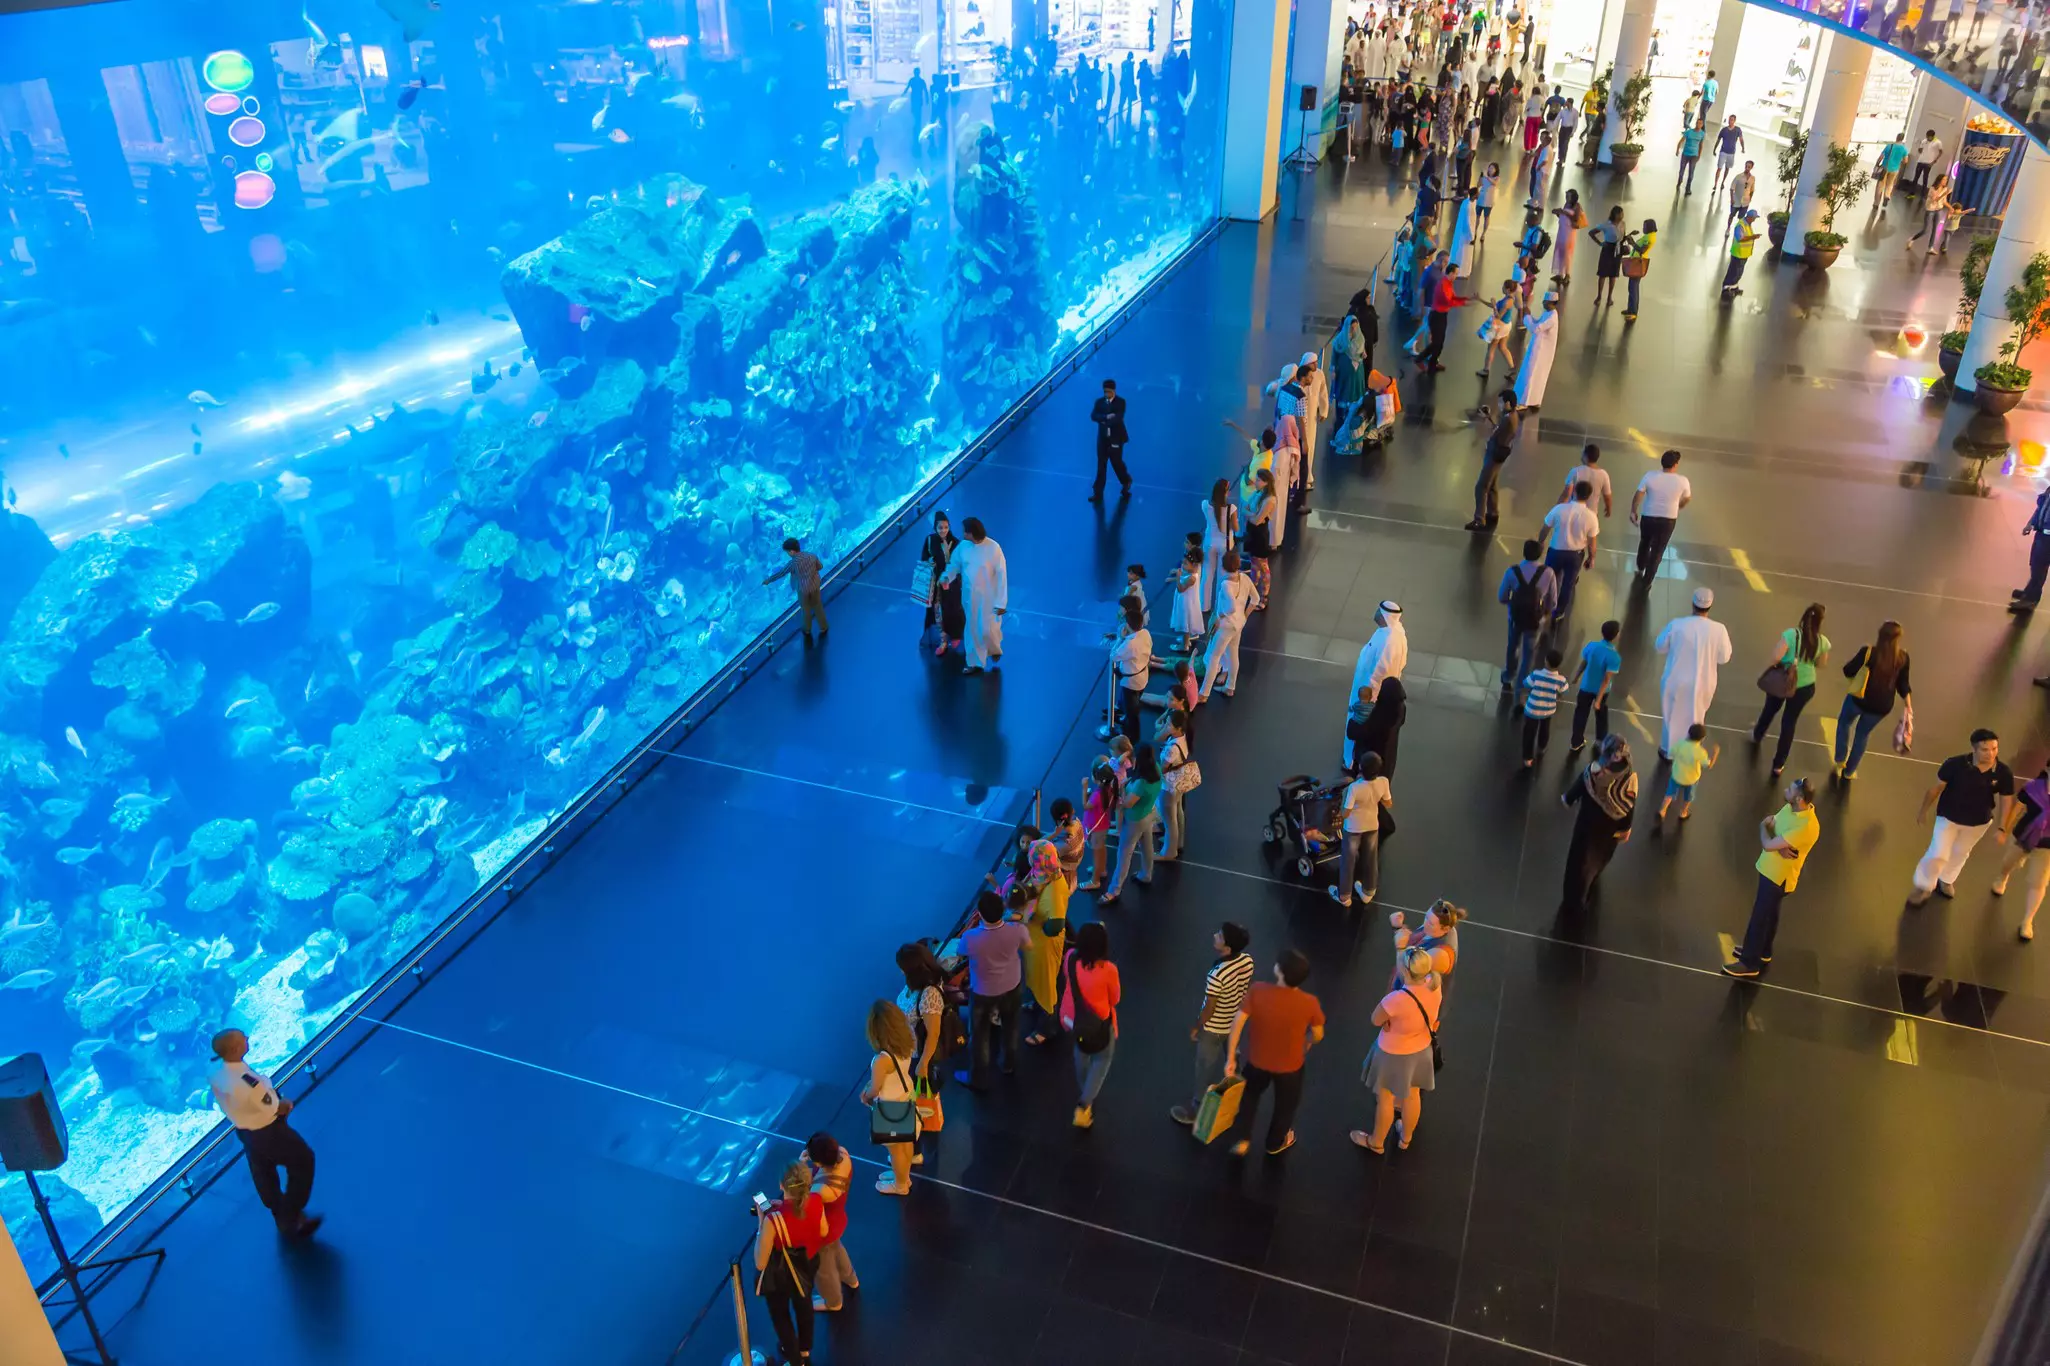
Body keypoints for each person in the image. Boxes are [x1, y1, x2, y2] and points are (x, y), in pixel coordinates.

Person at [207, 1029, 320, 1239]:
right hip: (268, 1131)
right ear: (235, 1049)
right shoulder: (249, 1082)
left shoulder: (216, 1074)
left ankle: (277, 1210)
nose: (247, 1040)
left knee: (263, 1170)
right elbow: (269, 1106)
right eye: (244, 1039)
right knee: (303, 1159)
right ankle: (291, 1213)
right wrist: (283, 1105)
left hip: (244, 1131)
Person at [1222, 949, 1326, 1158]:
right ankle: (1275, 1143)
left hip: (1257, 1062)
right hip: (1291, 1067)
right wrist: (1307, 1042)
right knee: (1285, 1106)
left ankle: (1242, 1140)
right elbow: (1318, 1034)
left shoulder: (1258, 990)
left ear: (1278, 971)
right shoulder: (1309, 1002)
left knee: (1249, 1098)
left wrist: (1231, 1057)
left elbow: (1237, 1023)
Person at [1721, 777, 1821, 978]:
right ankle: (1764, 951)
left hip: (1778, 877)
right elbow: (1772, 823)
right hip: (1771, 869)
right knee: (1771, 913)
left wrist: (1765, 832)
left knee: (1759, 917)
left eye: (1790, 790)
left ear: (1800, 798)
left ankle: (1749, 962)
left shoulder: (1806, 826)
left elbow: (1767, 837)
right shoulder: (1792, 808)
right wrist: (1777, 842)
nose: (1786, 791)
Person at [1349, 946, 1441, 1154]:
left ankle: (1376, 1142)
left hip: (1392, 1054)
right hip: (1421, 1051)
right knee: (1412, 1095)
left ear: (1406, 972)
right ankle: (1405, 1139)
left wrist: (1387, 1023)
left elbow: (1375, 1019)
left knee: (1386, 1098)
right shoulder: (1435, 986)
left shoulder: (1396, 999)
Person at [1909, 729, 2015, 905]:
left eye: (1994, 749)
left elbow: (2006, 801)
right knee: (1938, 852)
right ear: (1974, 749)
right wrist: (1923, 811)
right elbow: (1936, 789)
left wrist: (2003, 827)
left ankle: (1947, 879)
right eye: (1985, 749)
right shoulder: (1954, 764)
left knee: (1960, 852)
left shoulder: (2003, 773)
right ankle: (1924, 885)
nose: (1991, 754)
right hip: (1948, 817)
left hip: (1978, 822)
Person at [1172, 922, 1256, 1125]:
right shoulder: (1247, 961)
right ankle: (1233, 1096)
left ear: (1227, 948)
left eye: (1219, 936)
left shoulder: (1216, 975)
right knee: (1232, 1059)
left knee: (1204, 1066)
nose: (1215, 935)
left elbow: (1209, 1008)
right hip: (1234, 1022)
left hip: (1214, 1028)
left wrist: (1197, 1026)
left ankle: (1196, 1108)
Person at [953, 890, 1029, 1090]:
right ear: (1003, 908)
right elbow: (1028, 945)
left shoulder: (971, 937)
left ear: (981, 914)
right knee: (1011, 1026)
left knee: (979, 1035)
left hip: (983, 992)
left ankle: (978, 1078)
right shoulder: (1017, 930)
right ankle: (1008, 1064)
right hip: (1012, 986)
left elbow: (960, 953)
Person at [1752, 603, 1831, 776]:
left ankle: (1758, 734)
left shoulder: (1791, 635)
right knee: (1789, 722)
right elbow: (1821, 664)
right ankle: (1778, 765)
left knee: (1770, 709)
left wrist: (1767, 669)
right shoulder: (1823, 642)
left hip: (1782, 682)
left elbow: (1775, 657)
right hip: (1805, 686)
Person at [1560, 734, 1636, 912]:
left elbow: (1571, 795)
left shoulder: (1592, 773)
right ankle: (1593, 880)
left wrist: (1568, 799)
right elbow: (1630, 808)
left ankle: (1574, 900)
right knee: (1599, 859)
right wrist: (1625, 828)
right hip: (1608, 833)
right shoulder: (1629, 779)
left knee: (1578, 863)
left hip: (1586, 827)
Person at [753, 1161, 820, 1364]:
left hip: (783, 1275)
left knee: (781, 1315)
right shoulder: (816, 1200)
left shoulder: (773, 1220)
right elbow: (823, 1230)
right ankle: (805, 1349)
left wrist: (761, 1223)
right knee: (804, 1303)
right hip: (809, 1262)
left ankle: (794, 1358)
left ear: (782, 1186)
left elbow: (760, 1262)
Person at [1654, 588, 1732, 760]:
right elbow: (1724, 658)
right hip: (1704, 682)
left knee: (1671, 715)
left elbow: (1660, 646)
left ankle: (1668, 750)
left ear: (1692, 604)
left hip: (1675, 680)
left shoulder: (1677, 624)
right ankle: (1690, 752)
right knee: (1696, 716)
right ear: (1710, 607)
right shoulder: (1719, 630)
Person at [1834, 621, 1912, 780]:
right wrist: (1908, 705)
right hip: (1881, 706)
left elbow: (1848, 671)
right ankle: (1849, 771)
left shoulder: (1868, 653)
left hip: (1859, 699)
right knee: (1862, 735)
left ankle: (1840, 758)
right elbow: (1903, 684)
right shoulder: (1903, 657)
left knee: (1844, 723)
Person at [863, 1001, 920, 1195]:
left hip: (890, 1109)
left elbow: (875, 1089)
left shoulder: (882, 1060)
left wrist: (866, 1095)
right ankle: (903, 1176)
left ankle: (900, 1185)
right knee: (906, 1144)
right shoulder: (907, 1041)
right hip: (905, 1099)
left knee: (895, 1152)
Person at [938, 517, 1007, 675]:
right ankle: (975, 663)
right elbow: (954, 565)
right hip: (970, 597)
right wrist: (946, 576)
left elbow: (1002, 575)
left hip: (990, 597)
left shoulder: (993, 548)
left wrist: (1002, 603)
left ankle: (994, 648)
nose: (962, 534)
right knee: (972, 628)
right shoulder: (963, 547)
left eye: (965, 531)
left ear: (972, 533)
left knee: (987, 630)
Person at [1345, 602, 1408, 767]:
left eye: (1378, 611)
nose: (1375, 613)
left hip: (1369, 694)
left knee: (1360, 725)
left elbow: (1380, 670)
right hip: (1371, 691)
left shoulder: (1389, 640)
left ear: (1384, 615)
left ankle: (1351, 762)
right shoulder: (1392, 633)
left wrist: (1368, 696)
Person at [1329, 752, 1394, 905]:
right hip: (1372, 825)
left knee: (1348, 860)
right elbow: (1388, 803)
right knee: (1371, 857)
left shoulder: (1354, 788)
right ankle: (1368, 891)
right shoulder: (1383, 782)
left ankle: (1344, 896)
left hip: (1353, 828)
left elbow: (1345, 813)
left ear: (1360, 768)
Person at [1994, 765, 2050, 940]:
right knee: (2008, 863)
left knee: (2039, 882)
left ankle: (2027, 920)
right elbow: (2018, 808)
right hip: (2023, 836)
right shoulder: (2032, 788)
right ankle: (2003, 877)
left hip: (2047, 845)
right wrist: (2004, 829)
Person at [801, 1132, 858, 1306]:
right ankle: (851, 1279)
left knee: (823, 1269)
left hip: (824, 1229)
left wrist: (801, 1164)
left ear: (818, 1162)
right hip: (838, 1219)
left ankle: (833, 1302)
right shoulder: (843, 1154)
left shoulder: (820, 1190)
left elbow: (804, 1196)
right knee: (838, 1250)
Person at [1101, 745, 1162, 903]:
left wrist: (1121, 789)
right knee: (1147, 846)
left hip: (1135, 820)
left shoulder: (1141, 784)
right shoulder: (1156, 768)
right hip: (1149, 812)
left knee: (1124, 854)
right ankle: (1146, 874)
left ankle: (1114, 890)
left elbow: (1127, 803)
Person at [1497, 539, 1558, 688]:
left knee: (1513, 646)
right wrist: (1545, 613)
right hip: (1535, 619)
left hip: (1515, 617)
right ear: (1540, 554)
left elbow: (1502, 597)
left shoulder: (1512, 571)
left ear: (1524, 553)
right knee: (1529, 651)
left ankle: (1508, 675)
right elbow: (1553, 601)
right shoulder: (1548, 573)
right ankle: (1523, 681)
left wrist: (1512, 604)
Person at [1203, 550, 1258, 701]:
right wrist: (1245, 615)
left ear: (1224, 565)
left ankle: (1204, 693)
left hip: (1226, 625)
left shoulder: (1226, 584)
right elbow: (1255, 599)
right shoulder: (1245, 578)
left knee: (1215, 657)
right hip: (1238, 624)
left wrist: (1219, 617)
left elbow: (1230, 608)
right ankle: (1230, 687)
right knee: (1233, 655)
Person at [1540, 481, 1599, 620]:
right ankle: (1559, 612)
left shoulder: (1559, 509)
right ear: (1589, 496)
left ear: (1574, 492)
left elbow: (1545, 528)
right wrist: (1591, 558)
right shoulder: (1591, 516)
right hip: (1575, 555)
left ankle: (1545, 607)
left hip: (1555, 551)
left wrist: (1540, 542)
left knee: (1549, 579)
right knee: (1568, 583)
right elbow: (1592, 543)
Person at [894, 940, 949, 1088]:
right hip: (907, 1050)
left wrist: (923, 1064)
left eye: (902, 968)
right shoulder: (913, 983)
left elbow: (933, 1033)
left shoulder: (929, 994)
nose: (900, 971)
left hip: (918, 1057)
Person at [1630, 448, 1691, 580]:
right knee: (1658, 550)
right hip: (1668, 520)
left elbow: (1638, 494)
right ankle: (1648, 580)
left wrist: (1633, 511)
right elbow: (1687, 498)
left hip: (1648, 517)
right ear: (1675, 465)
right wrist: (1678, 506)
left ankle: (1640, 566)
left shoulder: (1650, 476)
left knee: (1644, 542)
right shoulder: (1683, 481)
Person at [1466, 388, 1521, 530]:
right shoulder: (1512, 416)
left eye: (1501, 402)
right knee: (1492, 484)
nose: (1500, 405)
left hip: (1495, 455)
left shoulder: (1508, 420)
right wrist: (1489, 418)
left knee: (1481, 487)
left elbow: (1494, 433)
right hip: (1500, 454)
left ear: (1508, 403)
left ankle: (1479, 519)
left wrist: (1486, 424)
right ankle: (1493, 511)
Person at [1569, 620, 1622, 752]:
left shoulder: (1592, 646)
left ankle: (1576, 742)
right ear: (1616, 636)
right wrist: (1598, 700)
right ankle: (1600, 741)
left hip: (1585, 687)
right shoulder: (1614, 657)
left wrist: (1576, 677)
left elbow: (1584, 662)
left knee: (1580, 714)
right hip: (1601, 692)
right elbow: (1606, 680)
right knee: (1601, 716)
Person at [763, 537, 828, 642]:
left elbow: (781, 573)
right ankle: (824, 627)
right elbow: (820, 567)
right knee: (818, 607)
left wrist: (768, 580)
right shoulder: (812, 556)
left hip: (803, 591)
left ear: (792, 551)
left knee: (806, 610)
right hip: (815, 587)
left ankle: (807, 630)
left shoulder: (793, 564)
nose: (788, 554)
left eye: (787, 552)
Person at [1106, 602, 1152, 745]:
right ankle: (1126, 720)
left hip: (1131, 682)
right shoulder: (1145, 633)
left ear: (1128, 625)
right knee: (1133, 705)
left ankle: (1132, 737)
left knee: (1132, 712)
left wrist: (1120, 637)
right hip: (1143, 675)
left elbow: (1114, 656)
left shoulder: (1130, 644)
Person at [919, 511, 965, 657]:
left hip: (951, 583)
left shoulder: (955, 542)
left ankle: (956, 635)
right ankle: (943, 640)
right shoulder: (930, 540)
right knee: (937, 611)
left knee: (953, 609)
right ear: (935, 528)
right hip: (935, 583)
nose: (943, 530)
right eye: (940, 528)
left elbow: (959, 564)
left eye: (945, 527)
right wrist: (930, 563)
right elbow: (924, 559)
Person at [1419, 261, 1477, 372]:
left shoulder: (1448, 283)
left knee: (1439, 343)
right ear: (1450, 273)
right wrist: (1464, 303)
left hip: (1442, 315)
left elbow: (1453, 297)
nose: (1456, 276)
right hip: (1437, 316)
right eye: (1455, 273)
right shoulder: (1442, 285)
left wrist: (1467, 298)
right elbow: (1448, 301)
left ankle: (1432, 363)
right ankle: (1421, 359)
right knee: (1437, 343)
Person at [1350, 675, 1408, 778]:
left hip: (1372, 760)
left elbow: (1365, 732)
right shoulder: (1400, 707)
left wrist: (1352, 724)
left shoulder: (1381, 713)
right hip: (1388, 759)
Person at [1659, 723, 1720, 820]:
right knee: (1688, 797)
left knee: (1669, 794)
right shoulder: (1701, 752)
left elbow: (1670, 753)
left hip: (1677, 775)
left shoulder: (1680, 744)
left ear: (1688, 734)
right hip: (1692, 779)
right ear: (1702, 738)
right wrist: (1715, 754)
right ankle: (1683, 812)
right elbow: (1709, 765)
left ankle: (1662, 810)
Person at [1156, 707, 1193, 862]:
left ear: (1178, 728)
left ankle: (1169, 851)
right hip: (1178, 783)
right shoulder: (1183, 739)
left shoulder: (1172, 749)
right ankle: (1178, 842)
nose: (1167, 726)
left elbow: (1163, 767)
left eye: (1169, 724)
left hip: (1168, 786)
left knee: (1169, 819)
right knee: (1178, 812)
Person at [1077, 757, 1119, 891]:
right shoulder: (1110, 791)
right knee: (1101, 849)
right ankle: (1101, 869)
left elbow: (1085, 806)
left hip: (1095, 828)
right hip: (1103, 826)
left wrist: (1084, 789)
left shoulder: (1097, 795)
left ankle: (1094, 881)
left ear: (1098, 779)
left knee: (1096, 853)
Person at [1521, 647, 1569, 767]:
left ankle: (1528, 758)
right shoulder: (1561, 680)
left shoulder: (1536, 674)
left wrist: (1523, 700)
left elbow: (1525, 684)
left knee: (1529, 733)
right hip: (1548, 710)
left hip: (1532, 709)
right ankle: (1542, 747)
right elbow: (1564, 691)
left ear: (1546, 661)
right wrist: (1558, 698)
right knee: (1545, 729)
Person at [1513, 289, 1560, 409]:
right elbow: (1538, 322)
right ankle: (1534, 400)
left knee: (1531, 373)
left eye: (1546, 302)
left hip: (1541, 352)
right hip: (1538, 349)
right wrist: (1529, 316)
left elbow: (1536, 328)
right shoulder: (1548, 313)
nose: (1543, 303)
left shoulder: (1552, 318)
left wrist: (1527, 317)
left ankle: (1524, 402)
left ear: (1552, 303)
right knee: (1536, 375)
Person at [1087, 378, 1131, 501]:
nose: (1107, 394)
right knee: (1101, 465)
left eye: (1109, 391)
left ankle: (1126, 482)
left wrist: (1104, 420)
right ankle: (1098, 493)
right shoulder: (1099, 402)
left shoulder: (1121, 402)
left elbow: (1118, 417)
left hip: (1116, 438)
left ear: (1113, 390)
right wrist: (1106, 416)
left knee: (1116, 463)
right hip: (1103, 439)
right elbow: (1093, 416)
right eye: (1105, 391)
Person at [1475, 278, 1519, 382]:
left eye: (1504, 287)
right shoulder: (1509, 299)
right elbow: (1494, 306)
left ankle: (1486, 370)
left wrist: (1494, 305)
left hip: (1500, 326)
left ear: (1508, 289)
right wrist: (1480, 299)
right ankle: (1512, 368)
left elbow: (1498, 316)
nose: (1502, 288)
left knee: (1491, 348)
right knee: (1503, 347)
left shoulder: (1508, 302)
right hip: (1506, 325)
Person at [2013, 488, 2050, 613]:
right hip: (2041, 534)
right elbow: (2040, 510)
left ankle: (2030, 599)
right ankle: (2030, 592)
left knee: (2039, 567)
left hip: (2048, 538)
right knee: (2036, 565)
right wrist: (2030, 524)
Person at [1906, 172, 1954, 254]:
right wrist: (1945, 193)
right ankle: (1912, 239)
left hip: (1938, 209)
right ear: (1939, 180)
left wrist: (1950, 207)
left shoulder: (1945, 188)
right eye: (1944, 180)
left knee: (1935, 229)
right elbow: (1935, 199)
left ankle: (1930, 247)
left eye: (1946, 180)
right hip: (1930, 210)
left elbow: (1944, 201)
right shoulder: (1933, 189)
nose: (1945, 181)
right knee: (1926, 229)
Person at [1588, 204, 1625, 306]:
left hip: (1617, 250)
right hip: (1607, 249)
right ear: (1615, 214)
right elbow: (1591, 232)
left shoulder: (1622, 224)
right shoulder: (1606, 225)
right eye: (1620, 213)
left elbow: (1623, 236)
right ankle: (1599, 296)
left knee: (1613, 274)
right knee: (1603, 274)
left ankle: (1609, 297)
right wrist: (1600, 243)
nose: (1622, 215)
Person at [1621, 217, 1656, 321]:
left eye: (1644, 226)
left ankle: (1633, 312)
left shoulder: (1650, 238)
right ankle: (1630, 308)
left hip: (1638, 263)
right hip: (1636, 261)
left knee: (1633, 288)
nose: (1643, 228)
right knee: (1632, 287)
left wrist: (1632, 243)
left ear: (1649, 227)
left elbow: (1642, 250)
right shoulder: (1649, 236)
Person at [1551, 189, 1587, 286]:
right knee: (1560, 250)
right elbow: (1564, 216)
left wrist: (1564, 213)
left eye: (1568, 196)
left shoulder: (1577, 206)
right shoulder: (1566, 204)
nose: (1566, 198)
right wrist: (1559, 213)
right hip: (1562, 230)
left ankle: (1567, 274)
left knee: (1567, 253)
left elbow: (1575, 218)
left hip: (1569, 232)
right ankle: (1559, 273)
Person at [1721, 209, 1760, 299]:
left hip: (1743, 254)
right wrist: (1752, 237)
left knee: (1738, 272)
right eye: (1754, 218)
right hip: (1738, 253)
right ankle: (1726, 289)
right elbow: (1740, 238)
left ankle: (1734, 287)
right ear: (1750, 217)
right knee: (1733, 271)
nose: (1754, 220)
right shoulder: (1740, 225)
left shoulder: (1748, 224)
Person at [1709, 116, 1745, 193]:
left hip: (1731, 153)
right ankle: (1715, 184)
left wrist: (1743, 148)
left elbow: (1741, 139)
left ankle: (1723, 182)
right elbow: (1718, 140)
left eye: (1732, 120)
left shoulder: (1737, 130)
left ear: (1734, 121)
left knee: (1727, 168)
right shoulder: (1724, 130)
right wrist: (1715, 149)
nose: (1730, 121)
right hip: (1723, 151)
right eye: (1729, 120)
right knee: (1719, 168)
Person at [1874, 132, 1909, 206]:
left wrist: (1877, 163)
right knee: (1890, 184)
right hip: (1895, 169)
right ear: (1902, 139)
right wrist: (1899, 160)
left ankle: (1876, 203)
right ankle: (1887, 196)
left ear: (1896, 137)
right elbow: (1906, 161)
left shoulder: (1889, 146)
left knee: (1880, 185)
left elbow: (1881, 156)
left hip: (1885, 168)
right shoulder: (1904, 149)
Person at [1908, 129, 1944, 194]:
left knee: (1925, 177)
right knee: (1916, 177)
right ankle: (1912, 192)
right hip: (1921, 161)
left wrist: (1934, 161)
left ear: (1932, 136)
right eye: (1926, 136)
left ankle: (1923, 193)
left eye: (1928, 137)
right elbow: (1920, 150)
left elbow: (1941, 152)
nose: (1927, 138)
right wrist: (1919, 149)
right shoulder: (1924, 141)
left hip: (1928, 162)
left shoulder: (1938, 142)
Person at [1676, 117, 1705, 194]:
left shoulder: (1702, 134)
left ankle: (1688, 188)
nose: (1698, 125)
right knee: (1682, 169)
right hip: (1686, 153)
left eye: (1700, 123)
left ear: (1702, 125)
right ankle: (1679, 180)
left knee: (1691, 172)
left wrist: (1699, 155)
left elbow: (1701, 145)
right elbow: (1681, 141)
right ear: (1696, 123)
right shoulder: (1689, 132)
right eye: (1697, 123)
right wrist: (1677, 149)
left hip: (1694, 155)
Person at [1727, 159, 1757, 230]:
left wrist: (1750, 199)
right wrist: (1732, 199)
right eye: (1746, 166)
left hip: (1745, 202)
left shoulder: (1752, 178)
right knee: (1732, 215)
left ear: (1751, 167)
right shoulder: (1739, 176)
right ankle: (1728, 228)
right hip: (1736, 200)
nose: (1747, 168)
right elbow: (1732, 188)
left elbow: (1752, 190)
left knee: (1741, 218)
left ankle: (1738, 230)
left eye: (1749, 167)